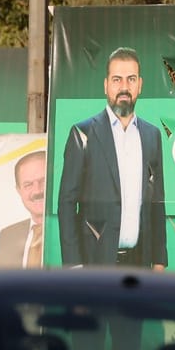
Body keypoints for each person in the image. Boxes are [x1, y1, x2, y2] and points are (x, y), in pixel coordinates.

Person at [55, 47, 167, 268]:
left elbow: (156, 202)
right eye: (117, 79)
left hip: (140, 265)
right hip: (94, 265)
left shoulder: (152, 136)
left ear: (140, 85)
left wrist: (159, 260)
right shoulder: (82, 134)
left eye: (131, 79)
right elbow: (66, 204)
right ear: (106, 85)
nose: (124, 87)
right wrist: (74, 266)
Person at [0, 149, 49, 269]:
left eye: (44, 181)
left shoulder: (75, 231)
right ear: (19, 191)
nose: (37, 191)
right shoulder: (8, 236)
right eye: (28, 185)